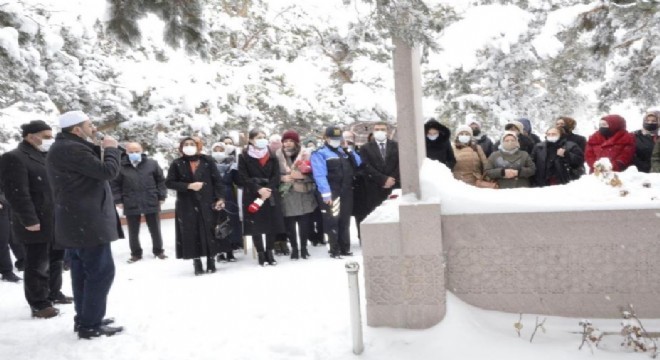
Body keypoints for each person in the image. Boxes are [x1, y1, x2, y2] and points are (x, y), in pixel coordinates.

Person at [46, 111, 124, 338]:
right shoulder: (72, 148)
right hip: (86, 222)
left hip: (78, 221)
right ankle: (90, 324)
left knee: (83, 272)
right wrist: (111, 149)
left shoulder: (66, 147)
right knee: (100, 273)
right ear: (76, 129)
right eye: (90, 125)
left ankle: (86, 318)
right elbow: (107, 172)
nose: (94, 128)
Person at [0, 120, 74, 318]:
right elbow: (16, 193)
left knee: (56, 260)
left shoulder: (47, 156)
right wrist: (29, 219)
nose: (50, 140)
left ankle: (53, 292)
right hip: (35, 220)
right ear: (30, 136)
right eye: (46, 136)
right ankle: (39, 303)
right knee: (37, 263)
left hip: (55, 218)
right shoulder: (14, 157)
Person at [165, 137, 225, 275]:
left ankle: (211, 260)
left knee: (209, 230)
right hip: (187, 203)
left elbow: (217, 181)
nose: (189, 146)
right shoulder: (177, 163)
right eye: (186, 144)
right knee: (191, 232)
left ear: (198, 146)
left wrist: (220, 198)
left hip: (208, 201)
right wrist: (188, 186)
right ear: (181, 147)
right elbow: (169, 183)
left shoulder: (207, 161)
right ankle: (196, 261)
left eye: (192, 144)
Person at [110, 142, 168, 263]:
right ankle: (136, 253)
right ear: (126, 152)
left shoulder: (152, 164)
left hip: (151, 199)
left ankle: (158, 251)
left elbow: (161, 181)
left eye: (136, 151)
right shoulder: (121, 166)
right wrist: (118, 200)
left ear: (141, 151)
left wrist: (161, 196)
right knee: (133, 230)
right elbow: (115, 185)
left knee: (155, 229)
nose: (134, 154)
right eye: (131, 152)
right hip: (130, 201)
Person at [311, 126, 362, 258]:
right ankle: (334, 249)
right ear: (326, 138)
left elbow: (358, 162)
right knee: (332, 220)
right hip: (331, 191)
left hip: (346, 191)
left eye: (338, 139)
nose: (336, 141)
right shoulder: (320, 153)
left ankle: (345, 248)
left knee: (345, 220)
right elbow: (319, 175)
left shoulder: (343, 152)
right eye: (333, 139)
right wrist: (326, 193)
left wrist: (348, 150)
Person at [237, 129, 286, 266]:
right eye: (259, 137)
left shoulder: (271, 154)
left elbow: (276, 175)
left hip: (270, 192)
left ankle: (270, 251)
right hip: (253, 192)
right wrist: (258, 189)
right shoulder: (244, 156)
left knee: (271, 223)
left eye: (264, 137)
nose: (262, 139)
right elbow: (243, 176)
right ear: (251, 140)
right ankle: (260, 253)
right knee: (255, 225)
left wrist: (268, 188)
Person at [275, 130, 318, 260]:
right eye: (285, 141)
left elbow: (315, 173)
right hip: (286, 193)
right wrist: (282, 178)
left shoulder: (306, 154)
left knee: (304, 223)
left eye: (290, 141)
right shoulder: (277, 156)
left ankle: (304, 248)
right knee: (290, 224)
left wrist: (303, 176)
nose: (287, 144)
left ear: (296, 142)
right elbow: (270, 174)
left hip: (304, 193)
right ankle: (294, 248)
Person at [358, 121, 400, 226]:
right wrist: (383, 179)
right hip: (374, 187)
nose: (380, 131)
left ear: (387, 131)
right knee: (377, 216)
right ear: (373, 131)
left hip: (394, 185)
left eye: (382, 129)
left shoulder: (397, 146)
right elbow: (366, 166)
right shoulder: (365, 148)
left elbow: (400, 163)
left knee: (394, 215)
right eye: (377, 129)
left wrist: (391, 178)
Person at [210, 142, 239, 261]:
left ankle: (230, 250)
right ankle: (220, 251)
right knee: (217, 223)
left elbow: (237, 180)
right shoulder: (209, 164)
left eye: (221, 150)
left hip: (229, 195)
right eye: (215, 150)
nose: (218, 152)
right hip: (214, 196)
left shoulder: (231, 164)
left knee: (230, 222)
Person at [0, 187, 21, 283]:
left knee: (11, 233)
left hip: (7, 200)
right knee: (3, 238)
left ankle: (22, 259)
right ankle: (6, 271)